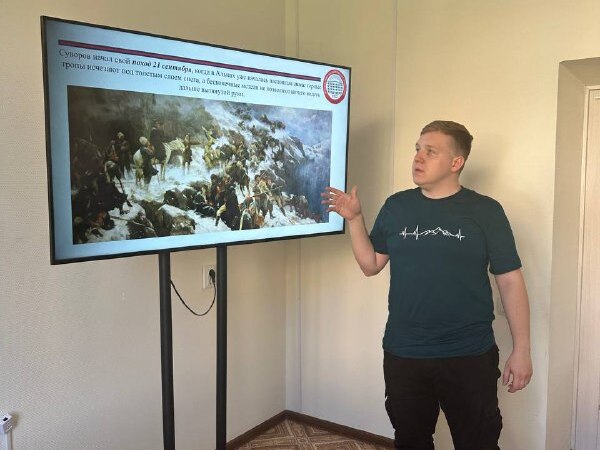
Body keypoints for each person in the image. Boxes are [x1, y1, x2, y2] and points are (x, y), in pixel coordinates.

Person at [321, 121, 532, 450]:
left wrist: (522, 350)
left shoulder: (486, 212)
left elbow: (510, 280)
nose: (418, 157)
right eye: (417, 149)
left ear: (456, 162)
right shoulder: (397, 206)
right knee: (411, 441)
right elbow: (371, 264)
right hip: (404, 353)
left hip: (469, 354)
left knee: (478, 442)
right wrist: (355, 219)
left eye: (430, 151)